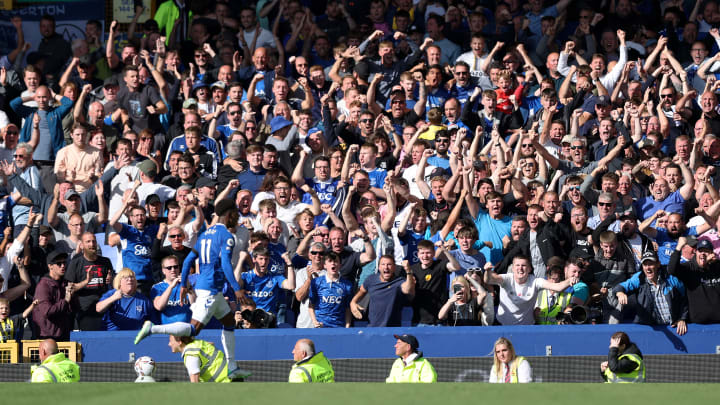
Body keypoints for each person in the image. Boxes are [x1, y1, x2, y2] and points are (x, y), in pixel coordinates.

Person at [135, 199, 247, 380]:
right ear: (229, 214)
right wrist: (236, 288)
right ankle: (153, 329)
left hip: (213, 290)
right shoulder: (227, 236)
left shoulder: (204, 236)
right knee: (193, 330)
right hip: (209, 289)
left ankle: (232, 366)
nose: (238, 216)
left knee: (229, 323)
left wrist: (183, 285)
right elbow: (226, 263)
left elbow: (186, 262)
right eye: (235, 213)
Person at [168, 335, 232, 383]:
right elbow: (212, 344)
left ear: (179, 342)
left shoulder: (191, 355)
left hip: (226, 384)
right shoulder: (198, 343)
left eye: (170, 341)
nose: (169, 344)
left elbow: (195, 385)